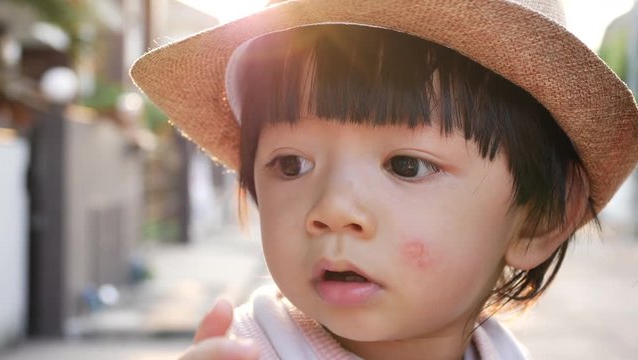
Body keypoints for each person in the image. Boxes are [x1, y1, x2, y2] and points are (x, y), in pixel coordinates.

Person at [130, 0, 638, 359]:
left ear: (540, 218)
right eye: (291, 165)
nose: (331, 208)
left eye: (407, 166)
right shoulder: (252, 351)